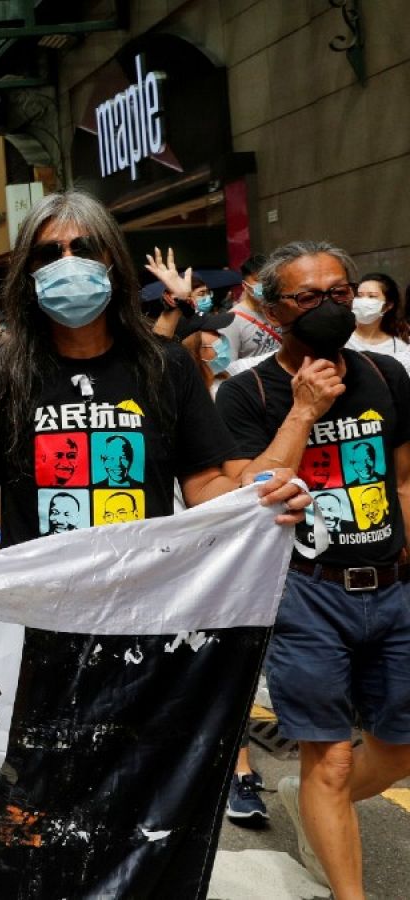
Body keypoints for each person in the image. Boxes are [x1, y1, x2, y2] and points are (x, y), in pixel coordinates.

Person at [0, 190, 305, 555]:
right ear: (29, 271)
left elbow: (204, 485)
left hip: (143, 596)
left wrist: (258, 492)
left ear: (111, 259)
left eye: (84, 248)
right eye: (50, 253)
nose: (68, 262)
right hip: (38, 600)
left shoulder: (166, 364)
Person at [214, 241, 410, 898]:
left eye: (338, 292)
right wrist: (303, 412)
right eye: (308, 297)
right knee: (326, 755)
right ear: (274, 307)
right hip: (305, 595)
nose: (329, 306)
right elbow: (252, 488)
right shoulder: (247, 393)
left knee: (398, 746)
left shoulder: (386, 377)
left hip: (392, 587)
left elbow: (405, 476)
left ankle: (315, 801)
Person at [345, 273, 410, 372]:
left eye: (372, 296)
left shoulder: (399, 348)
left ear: (388, 305)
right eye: (359, 295)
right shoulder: (341, 337)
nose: (363, 301)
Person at [226, 254, 282, 362]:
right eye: (259, 280)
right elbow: (229, 368)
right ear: (245, 286)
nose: (265, 285)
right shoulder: (232, 321)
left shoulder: (278, 308)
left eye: (268, 280)